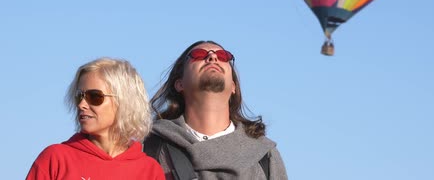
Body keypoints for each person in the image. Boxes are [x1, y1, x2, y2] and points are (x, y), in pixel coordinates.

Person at [146, 40, 287, 179]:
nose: (212, 57)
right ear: (180, 84)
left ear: (233, 86)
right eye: (199, 54)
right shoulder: (151, 147)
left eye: (223, 56)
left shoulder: (264, 156)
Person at [26, 58, 165, 180]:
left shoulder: (150, 170)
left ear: (124, 102)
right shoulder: (55, 159)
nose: (82, 105)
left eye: (94, 96)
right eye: (79, 96)